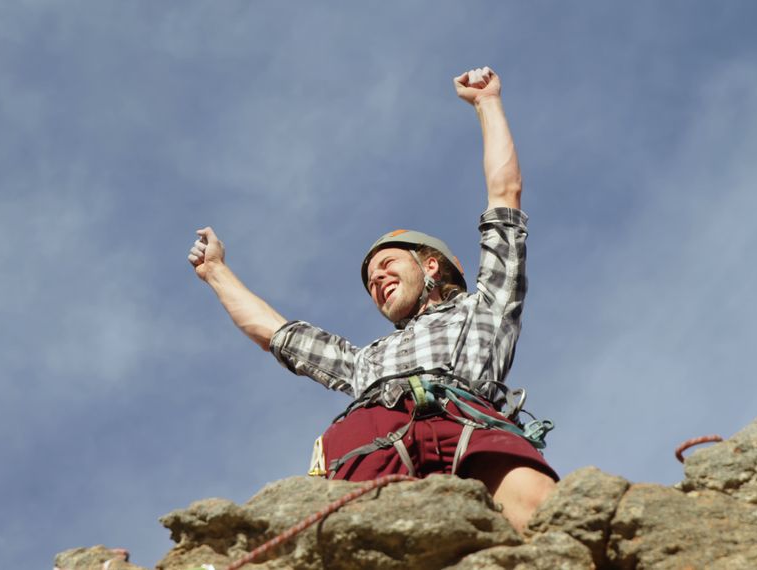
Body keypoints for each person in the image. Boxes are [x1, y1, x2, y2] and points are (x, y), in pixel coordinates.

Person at [188, 67, 557, 533]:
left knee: (543, 515)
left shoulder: (485, 309)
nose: (376, 278)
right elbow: (278, 335)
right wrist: (216, 272)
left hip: (467, 414)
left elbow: (505, 196)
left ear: (431, 266)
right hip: (374, 429)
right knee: (353, 542)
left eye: (387, 264)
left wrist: (488, 103)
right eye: (369, 280)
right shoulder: (366, 360)